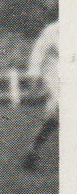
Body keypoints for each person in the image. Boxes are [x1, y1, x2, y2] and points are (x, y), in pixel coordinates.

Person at [23, 17, 60, 170]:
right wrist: (34, 80)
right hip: (55, 76)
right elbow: (37, 57)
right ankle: (33, 150)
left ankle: (32, 151)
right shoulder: (52, 31)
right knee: (60, 112)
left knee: (53, 118)